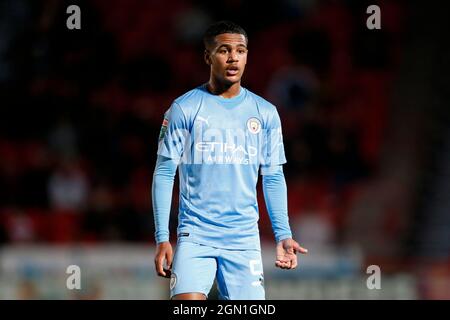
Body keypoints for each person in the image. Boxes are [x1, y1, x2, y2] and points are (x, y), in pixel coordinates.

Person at [152, 20, 308, 300]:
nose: (234, 57)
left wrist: (283, 234)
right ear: (208, 57)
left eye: (241, 50)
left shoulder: (265, 113)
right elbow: (164, 173)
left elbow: (272, 177)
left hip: (243, 239)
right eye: (224, 50)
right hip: (195, 235)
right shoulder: (184, 108)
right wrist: (162, 236)